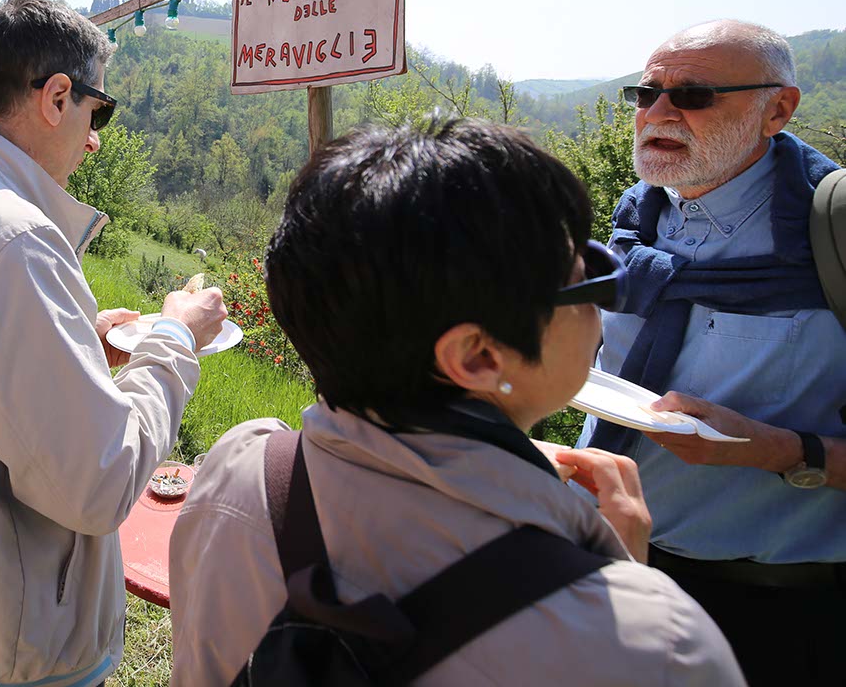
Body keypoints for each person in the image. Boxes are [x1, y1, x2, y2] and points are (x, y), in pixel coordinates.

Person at [168, 120, 742, 687]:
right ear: (477, 357)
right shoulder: (664, 646)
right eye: (588, 282)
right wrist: (618, 585)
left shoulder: (239, 470)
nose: (605, 307)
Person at [0, 0, 227, 687]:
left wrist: (78, 342)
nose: (94, 140)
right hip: (11, 647)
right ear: (58, 96)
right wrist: (175, 337)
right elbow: (100, 480)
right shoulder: (15, 238)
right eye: (98, 112)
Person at [577, 20, 846, 683]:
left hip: (778, 617)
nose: (658, 114)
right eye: (647, 94)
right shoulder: (637, 224)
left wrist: (782, 451)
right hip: (612, 573)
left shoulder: (831, 235)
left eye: (693, 96)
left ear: (777, 109)